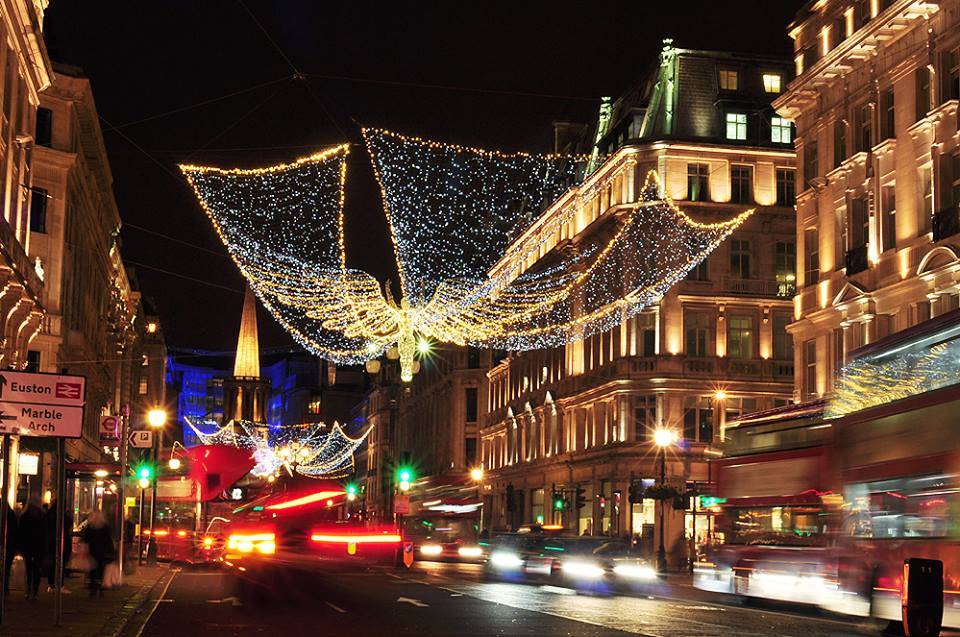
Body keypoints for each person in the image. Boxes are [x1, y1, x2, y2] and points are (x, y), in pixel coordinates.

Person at [80, 511, 113, 596]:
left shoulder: (90, 526)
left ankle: (92, 588)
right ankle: (99, 587)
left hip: (92, 550)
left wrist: (84, 548)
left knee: (92, 569)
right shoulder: (104, 527)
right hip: (102, 550)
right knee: (101, 569)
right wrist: (110, 550)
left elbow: (85, 538)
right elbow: (108, 539)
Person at [19, 499, 46, 599]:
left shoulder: (24, 516)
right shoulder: (42, 516)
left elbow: (21, 532)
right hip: (38, 546)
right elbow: (44, 533)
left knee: (29, 569)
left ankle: (29, 590)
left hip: (28, 546)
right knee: (36, 569)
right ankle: (34, 591)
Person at [44, 500, 73, 593]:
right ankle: (59, 584)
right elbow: (69, 523)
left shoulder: (49, 514)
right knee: (60, 563)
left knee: (54, 563)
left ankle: (52, 584)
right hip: (61, 541)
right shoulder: (61, 516)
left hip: (52, 542)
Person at [2, 502, 17, 595]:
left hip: (8, 544)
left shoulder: (10, 514)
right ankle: (5, 587)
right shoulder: (11, 514)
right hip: (10, 545)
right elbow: (15, 531)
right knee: (6, 568)